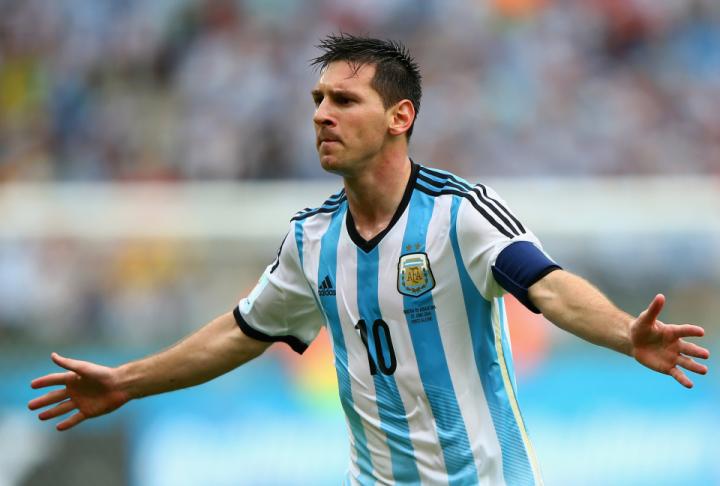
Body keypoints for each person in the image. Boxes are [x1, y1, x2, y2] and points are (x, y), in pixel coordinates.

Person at [29, 34, 709, 485]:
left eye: (345, 101)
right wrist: (127, 382)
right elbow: (241, 331)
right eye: (318, 100)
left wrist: (624, 332)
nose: (322, 115)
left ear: (399, 117)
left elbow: (548, 286)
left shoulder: (460, 213)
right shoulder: (310, 240)